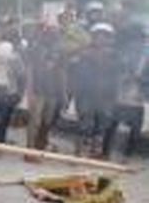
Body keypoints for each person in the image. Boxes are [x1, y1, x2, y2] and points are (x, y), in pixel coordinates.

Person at [70, 23, 120, 158]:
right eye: (98, 35)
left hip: (105, 97)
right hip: (86, 95)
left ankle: (95, 152)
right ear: (93, 37)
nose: (101, 39)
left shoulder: (114, 56)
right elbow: (76, 74)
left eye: (105, 36)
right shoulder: (83, 54)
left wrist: (114, 95)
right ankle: (78, 153)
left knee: (102, 126)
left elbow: (116, 77)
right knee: (84, 125)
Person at [103, 24, 146, 159]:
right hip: (119, 94)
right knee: (111, 124)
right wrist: (124, 75)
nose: (141, 41)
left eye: (143, 38)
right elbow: (114, 70)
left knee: (135, 129)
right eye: (139, 37)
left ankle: (127, 155)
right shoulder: (122, 52)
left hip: (138, 97)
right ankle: (105, 152)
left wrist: (141, 79)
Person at [25, 27, 67, 156]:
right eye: (49, 34)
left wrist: (63, 93)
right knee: (35, 121)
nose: (52, 36)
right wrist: (29, 90)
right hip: (38, 90)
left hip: (53, 91)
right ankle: (29, 151)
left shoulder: (60, 51)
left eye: (54, 34)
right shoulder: (35, 49)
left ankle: (40, 147)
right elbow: (30, 70)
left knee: (47, 121)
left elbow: (62, 72)